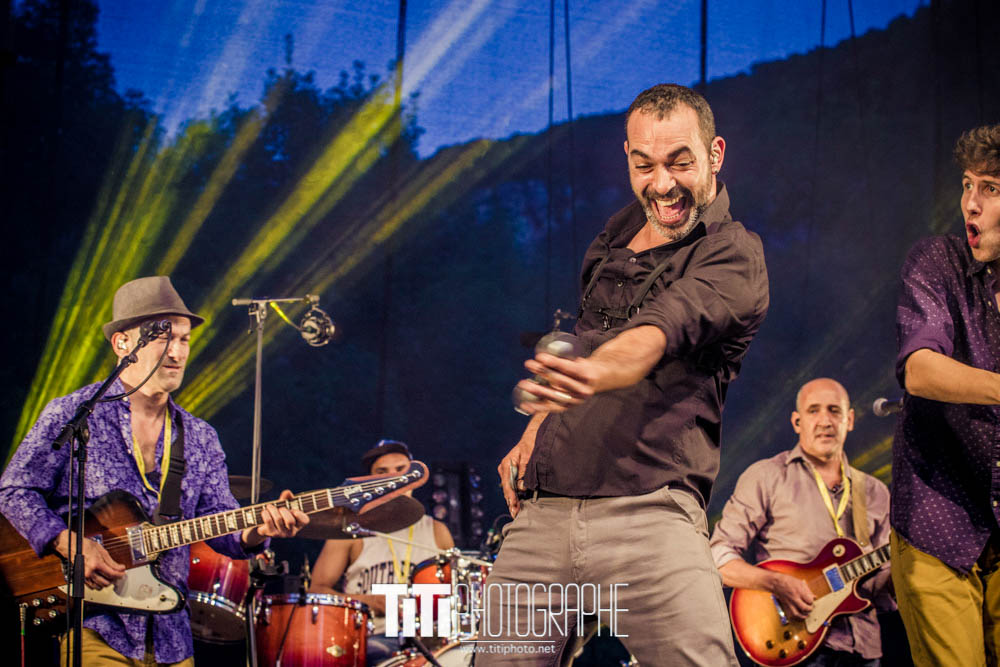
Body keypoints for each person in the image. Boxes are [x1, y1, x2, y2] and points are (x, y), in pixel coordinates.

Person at [483, 83, 769, 666]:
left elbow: (655, 334)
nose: (661, 184)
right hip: (544, 516)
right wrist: (538, 422)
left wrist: (591, 372)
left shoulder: (733, 254)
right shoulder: (611, 241)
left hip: (651, 514)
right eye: (645, 164)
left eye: (680, 162)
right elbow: (586, 339)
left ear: (715, 155)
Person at [0, 276, 309, 666]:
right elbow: (14, 491)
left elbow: (224, 526)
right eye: (162, 337)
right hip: (96, 625)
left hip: (171, 637)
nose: (177, 351)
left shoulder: (199, 436)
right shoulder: (75, 413)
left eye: (183, 339)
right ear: (122, 343)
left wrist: (259, 529)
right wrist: (71, 543)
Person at [891, 123, 1000, 665]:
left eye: (991, 189)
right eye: (966, 185)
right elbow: (921, 370)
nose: (970, 204)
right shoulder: (937, 261)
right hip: (940, 525)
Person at [710, 378, 894, 666]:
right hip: (790, 644)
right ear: (797, 422)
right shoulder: (767, 476)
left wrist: (907, 567)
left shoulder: (875, 492)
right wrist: (774, 582)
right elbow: (716, 558)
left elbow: (881, 585)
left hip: (864, 648)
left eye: (834, 410)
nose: (825, 420)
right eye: (813, 411)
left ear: (850, 419)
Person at [309, 439, 454, 664]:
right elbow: (316, 591)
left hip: (430, 641)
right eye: (382, 472)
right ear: (370, 482)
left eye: (401, 470)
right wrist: (367, 601)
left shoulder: (436, 530)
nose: (394, 477)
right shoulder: (350, 530)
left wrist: (436, 647)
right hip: (372, 638)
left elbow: (456, 596)